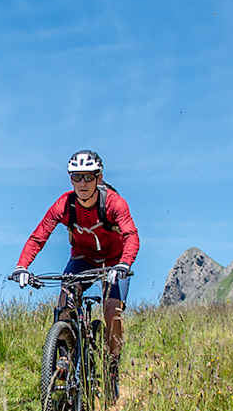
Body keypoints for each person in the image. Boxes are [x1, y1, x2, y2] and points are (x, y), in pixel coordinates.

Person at [9, 149, 139, 391]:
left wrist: (124, 264)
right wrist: (22, 266)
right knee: (65, 303)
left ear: (99, 177)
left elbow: (131, 236)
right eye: (76, 177)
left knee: (112, 310)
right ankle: (65, 357)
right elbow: (38, 237)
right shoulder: (64, 204)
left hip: (114, 261)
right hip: (82, 259)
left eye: (89, 177)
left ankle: (112, 367)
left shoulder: (113, 203)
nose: (82, 183)